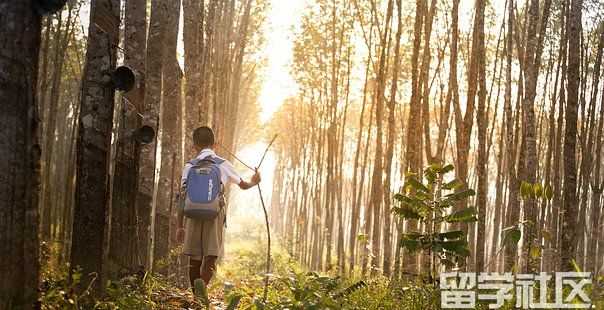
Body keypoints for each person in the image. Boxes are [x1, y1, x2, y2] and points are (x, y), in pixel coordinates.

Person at [176, 126, 261, 289]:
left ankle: (196, 297)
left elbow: (182, 196)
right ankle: (201, 297)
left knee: (194, 258)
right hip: (214, 214)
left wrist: (180, 225)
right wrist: (255, 181)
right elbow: (243, 185)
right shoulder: (223, 164)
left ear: (195, 145)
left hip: (192, 213)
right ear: (214, 144)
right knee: (211, 256)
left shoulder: (189, 165)